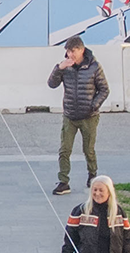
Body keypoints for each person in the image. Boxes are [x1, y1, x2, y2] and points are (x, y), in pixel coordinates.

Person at [48, 35, 109, 194]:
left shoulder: (94, 66)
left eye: (73, 51)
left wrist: (93, 105)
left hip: (89, 116)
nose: (70, 55)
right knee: (64, 149)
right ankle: (63, 181)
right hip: (70, 115)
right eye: (68, 51)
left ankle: (92, 174)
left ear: (81, 50)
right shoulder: (65, 66)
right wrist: (59, 68)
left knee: (88, 149)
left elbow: (104, 90)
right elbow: (51, 84)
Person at [59, 176, 130, 253]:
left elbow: (127, 241)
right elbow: (69, 241)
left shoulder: (119, 213)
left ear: (109, 192)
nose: (97, 193)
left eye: (101, 190)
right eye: (95, 190)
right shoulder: (79, 212)